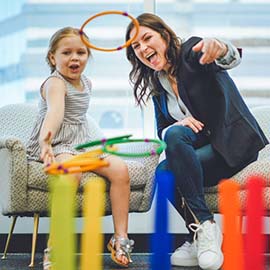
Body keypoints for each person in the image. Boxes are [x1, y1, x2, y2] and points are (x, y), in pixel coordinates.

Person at [125, 13, 268, 270]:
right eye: (136, 46)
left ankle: (203, 232)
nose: (143, 48)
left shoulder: (191, 53)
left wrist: (220, 48)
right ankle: (204, 232)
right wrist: (176, 125)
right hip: (199, 149)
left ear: (165, 36)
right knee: (163, 171)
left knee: (175, 139)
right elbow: (163, 130)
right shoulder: (157, 83)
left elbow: (226, 57)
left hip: (233, 145)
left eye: (147, 38)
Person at [26, 27, 134, 269]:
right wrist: (46, 140)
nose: (74, 58)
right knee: (71, 174)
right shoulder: (55, 83)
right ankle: (54, 245)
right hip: (56, 140)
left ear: (88, 56)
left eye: (81, 52)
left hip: (82, 141)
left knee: (120, 170)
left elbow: (79, 120)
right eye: (66, 53)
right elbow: (56, 113)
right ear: (53, 58)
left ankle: (120, 239)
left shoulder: (87, 82)